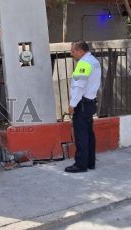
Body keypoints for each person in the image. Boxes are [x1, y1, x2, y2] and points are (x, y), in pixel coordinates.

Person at [65, 41, 101, 173]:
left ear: (80, 51)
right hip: (90, 102)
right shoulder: (94, 61)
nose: (71, 53)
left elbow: (80, 86)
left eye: (73, 51)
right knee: (89, 134)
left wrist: (72, 104)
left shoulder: (84, 63)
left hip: (82, 103)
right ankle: (90, 162)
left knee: (81, 135)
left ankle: (80, 164)